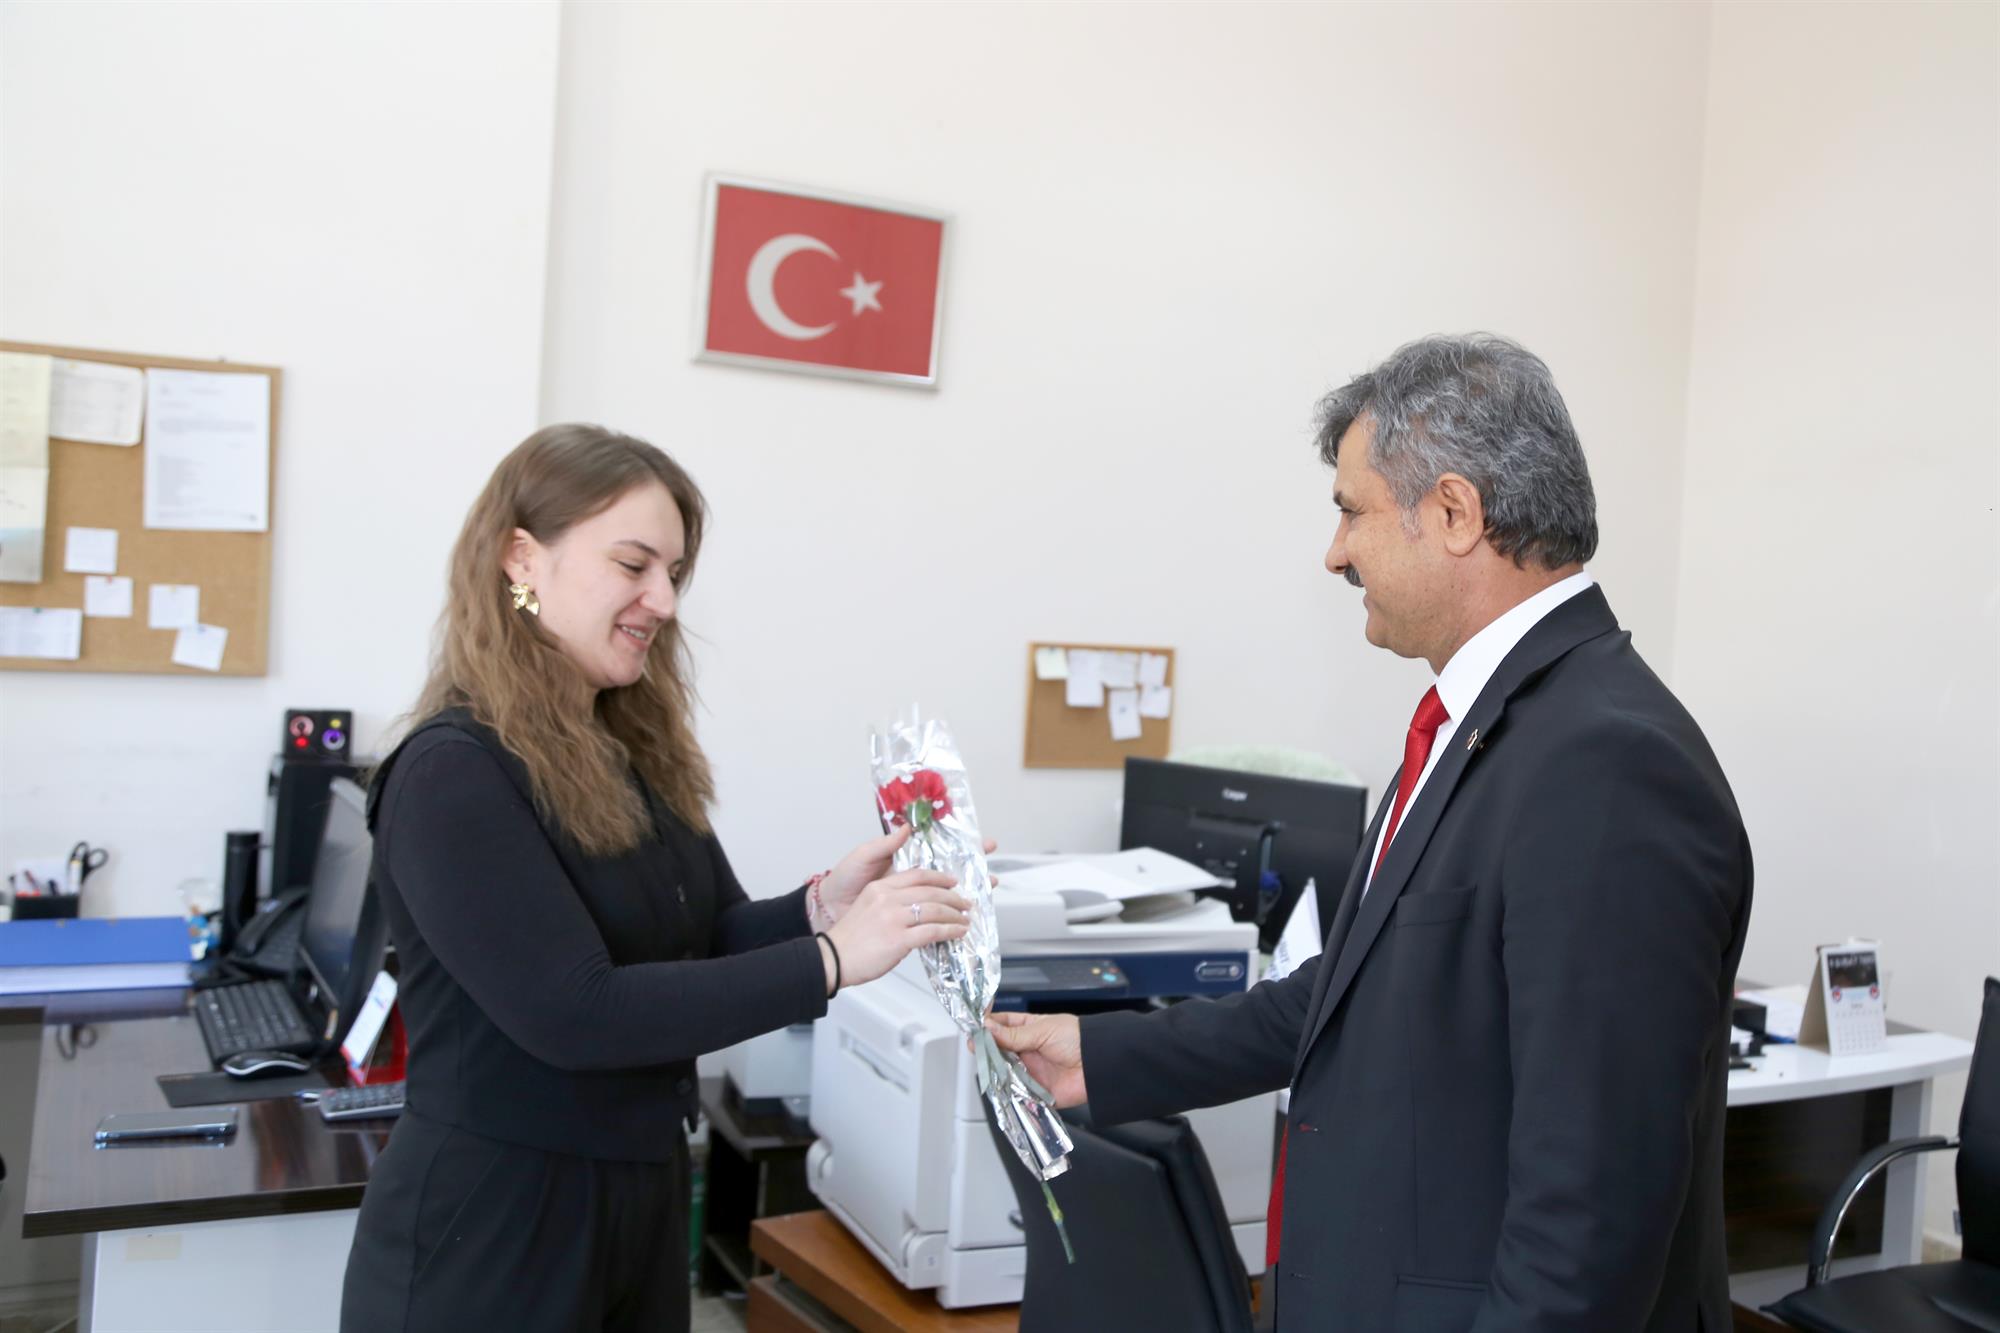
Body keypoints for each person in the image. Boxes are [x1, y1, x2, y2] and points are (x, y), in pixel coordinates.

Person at [989, 335, 1753, 1332]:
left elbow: (1592, 1208)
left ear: (1454, 512)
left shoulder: (1607, 764)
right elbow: (1352, 990)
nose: (1335, 551)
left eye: (1351, 511)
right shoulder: (1482, 722)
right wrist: (1102, 1054)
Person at [339, 424, 972, 1333]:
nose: (664, 601)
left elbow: (706, 938)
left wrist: (821, 907)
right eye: (634, 565)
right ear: (523, 560)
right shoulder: (451, 773)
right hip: (496, 1227)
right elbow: (579, 1011)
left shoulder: (628, 751)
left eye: (673, 573)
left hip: (638, 1195)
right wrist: (833, 959)